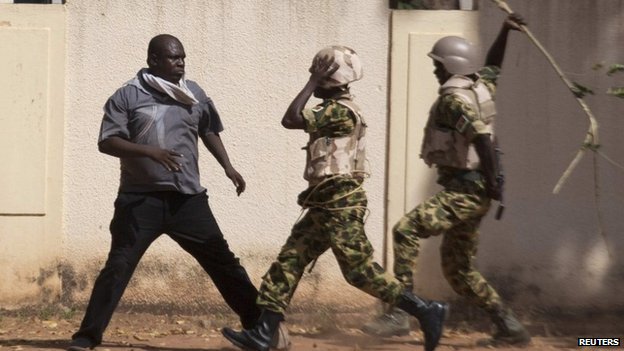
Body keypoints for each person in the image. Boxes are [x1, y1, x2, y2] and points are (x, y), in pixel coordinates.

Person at [221, 46, 448, 351]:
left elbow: (289, 119)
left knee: (359, 272)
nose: (314, 79)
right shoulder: (336, 109)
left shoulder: (338, 111)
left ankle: (425, 309)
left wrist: (312, 81)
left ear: (329, 78)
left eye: (319, 74)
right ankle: (263, 333)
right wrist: (316, 80)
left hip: (341, 206)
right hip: (323, 204)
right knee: (289, 262)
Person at [67, 34, 264, 351]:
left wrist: (228, 166)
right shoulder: (127, 96)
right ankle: (87, 336)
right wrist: (149, 152)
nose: (181, 63)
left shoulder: (194, 93)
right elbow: (107, 142)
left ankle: (261, 327)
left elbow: (208, 129)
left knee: (223, 263)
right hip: (140, 201)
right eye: (174, 58)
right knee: (117, 267)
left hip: (187, 201)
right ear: (153, 60)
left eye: (183, 57)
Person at [361, 14, 532, 346]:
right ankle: (509, 327)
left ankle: (400, 313)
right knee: (459, 271)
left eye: (439, 65)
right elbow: (494, 66)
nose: (436, 70)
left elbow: (481, 137)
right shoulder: (479, 86)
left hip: (467, 188)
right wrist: (505, 31)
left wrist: (493, 180)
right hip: (474, 189)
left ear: (453, 66)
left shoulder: (454, 100)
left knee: (405, 229)